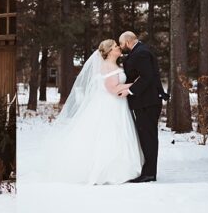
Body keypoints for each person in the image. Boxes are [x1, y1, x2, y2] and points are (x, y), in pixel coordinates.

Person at [41, 39, 144, 185]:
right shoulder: (107, 66)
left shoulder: (114, 64)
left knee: (120, 133)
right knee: (109, 135)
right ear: (109, 51)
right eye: (115, 46)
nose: (119, 48)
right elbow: (113, 89)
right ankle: (107, 171)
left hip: (119, 105)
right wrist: (134, 84)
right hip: (110, 105)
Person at [118, 31, 168, 182]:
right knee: (146, 137)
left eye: (121, 44)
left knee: (149, 137)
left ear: (127, 42)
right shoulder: (139, 51)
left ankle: (149, 174)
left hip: (147, 102)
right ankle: (148, 171)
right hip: (145, 102)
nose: (121, 47)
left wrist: (129, 91)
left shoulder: (141, 53)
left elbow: (147, 77)